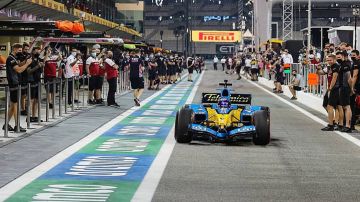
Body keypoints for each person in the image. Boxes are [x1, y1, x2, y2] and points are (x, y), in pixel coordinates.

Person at [4, 43, 32, 132]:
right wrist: (27, 64)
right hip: (14, 83)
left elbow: (19, 65)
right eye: (19, 50)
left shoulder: (14, 58)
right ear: (15, 49)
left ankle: (6, 124)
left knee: (13, 106)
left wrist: (26, 61)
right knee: (15, 105)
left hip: (16, 82)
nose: (21, 52)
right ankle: (17, 125)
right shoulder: (10, 59)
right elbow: (19, 70)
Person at [319, 55, 341, 131]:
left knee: (331, 106)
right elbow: (320, 73)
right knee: (326, 105)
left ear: (334, 60)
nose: (329, 61)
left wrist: (330, 88)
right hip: (330, 89)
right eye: (328, 60)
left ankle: (331, 124)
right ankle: (333, 121)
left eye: (330, 60)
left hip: (334, 88)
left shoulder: (336, 66)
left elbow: (335, 77)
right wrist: (318, 68)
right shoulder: (329, 67)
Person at [336, 51, 352, 132]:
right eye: (337, 58)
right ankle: (346, 125)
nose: (338, 59)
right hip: (342, 87)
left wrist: (351, 88)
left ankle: (348, 126)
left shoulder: (346, 64)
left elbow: (349, 78)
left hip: (345, 87)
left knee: (347, 106)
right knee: (344, 106)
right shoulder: (342, 64)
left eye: (339, 57)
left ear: (344, 56)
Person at [27, 47, 44, 122]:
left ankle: (34, 116)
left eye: (39, 51)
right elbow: (29, 71)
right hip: (32, 81)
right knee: (31, 100)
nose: (38, 52)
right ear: (33, 51)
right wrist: (37, 66)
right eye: (36, 51)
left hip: (38, 81)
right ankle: (29, 116)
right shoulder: (29, 60)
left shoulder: (39, 60)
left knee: (37, 100)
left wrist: (41, 66)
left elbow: (40, 71)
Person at [351, 50, 360, 130]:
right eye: (352, 55)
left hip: (358, 87)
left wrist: (352, 87)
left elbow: (355, 75)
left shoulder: (356, 63)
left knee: (354, 105)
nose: (352, 56)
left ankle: (352, 124)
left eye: (354, 55)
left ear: (358, 55)